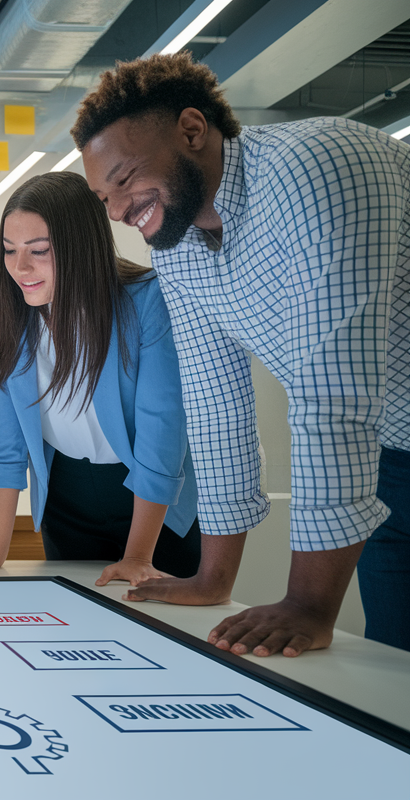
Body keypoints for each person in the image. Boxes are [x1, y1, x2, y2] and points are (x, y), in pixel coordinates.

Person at [75, 52, 410, 655]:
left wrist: (308, 605)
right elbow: (214, 405)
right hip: (392, 456)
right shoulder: (176, 247)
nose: (119, 211)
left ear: (193, 130)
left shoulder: (320, 164)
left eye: (124, 179)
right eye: (105, 197)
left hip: (372, 430)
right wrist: (214, 578)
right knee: (398, 668)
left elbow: (332, 396)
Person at [0, 172, 200, 586]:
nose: (20, 268)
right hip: (65, 495)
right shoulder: (0, 319)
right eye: (9, 251)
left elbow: (162, 432)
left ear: (80, 246)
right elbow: (6, 441)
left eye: (38, 251)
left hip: (153, 500)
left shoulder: (149, 301)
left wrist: (137, 556)